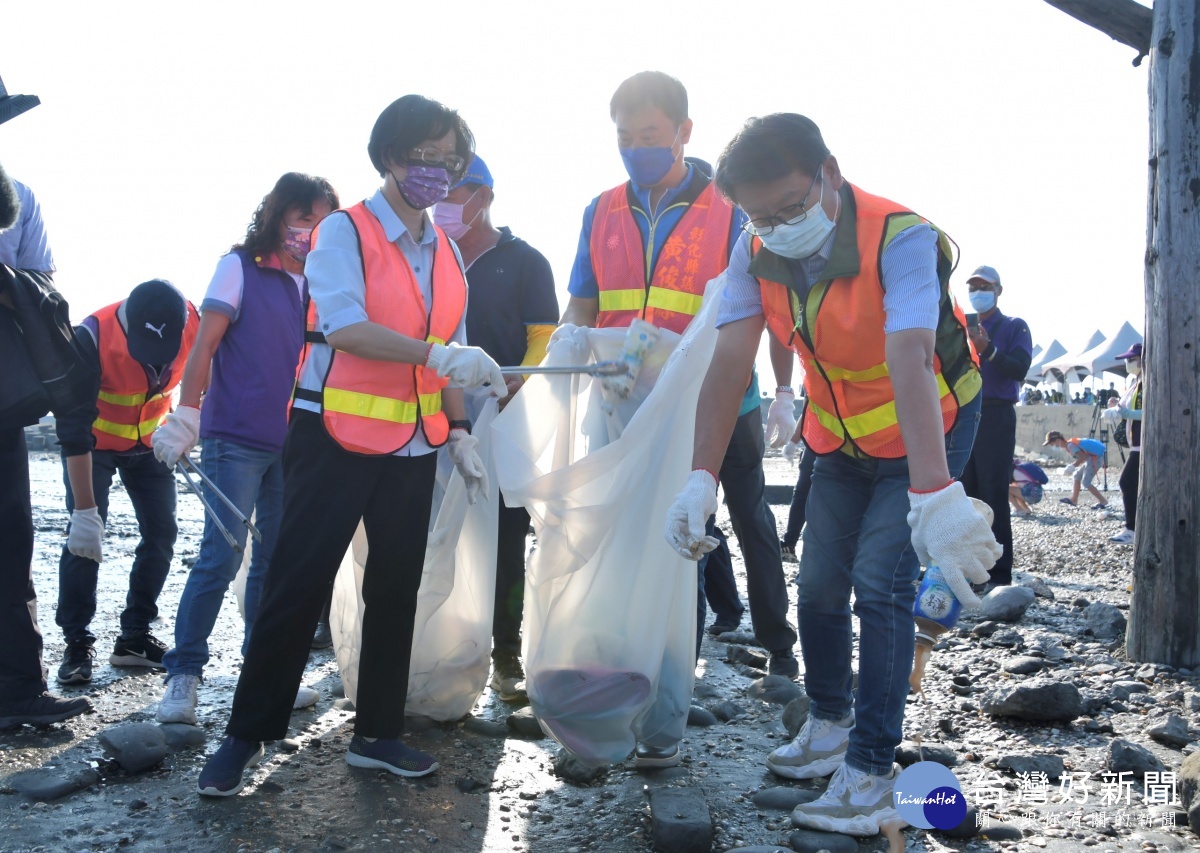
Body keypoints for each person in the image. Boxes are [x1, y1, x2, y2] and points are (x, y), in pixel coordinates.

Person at [664, 113, 1000, 836]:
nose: (780, 225)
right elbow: (729, 365)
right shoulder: (753, 250)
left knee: (880, 583)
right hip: (838, 435)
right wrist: (700, 478)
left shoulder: (901, 238)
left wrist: (936, 494)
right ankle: (828, 722)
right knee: (816, 579)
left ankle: (874, 770)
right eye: (762, 214)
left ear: (830, 173)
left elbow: (910, 354)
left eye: (791, 205)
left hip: (927, 423)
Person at [197, 95, 507, 797]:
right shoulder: (347, 232)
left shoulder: (447, 250)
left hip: (412, 446)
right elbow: (346, 328)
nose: (440, 172)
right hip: (334, 435)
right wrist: (442, 355)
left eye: (450, 159)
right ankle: (245, 735)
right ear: (392, 157)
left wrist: (457, 429)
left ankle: (377, 733)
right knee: (296, 582)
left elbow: (447, 355)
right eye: (427, 156)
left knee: (395, 587)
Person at [556, 73, 798, 768]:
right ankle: (631, 700)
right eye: (625, 139)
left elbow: (771, 302)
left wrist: (784, 389)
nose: (636, 150)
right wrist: (570, 340)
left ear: (685, 132)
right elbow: (582, 300)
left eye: (651, 137)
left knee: (729, 529)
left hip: (716, 404)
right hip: (624, 408)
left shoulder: (730, 206)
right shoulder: (600, 209)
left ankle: (764, 654)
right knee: (628, 548)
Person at [151, 173, 340, 725]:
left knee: (276, 562)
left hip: (295, 444)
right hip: (233, 439)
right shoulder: (238, 267)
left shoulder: (321, 284)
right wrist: (188, 413)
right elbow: (205, 344)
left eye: (324, 221)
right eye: (304, 218)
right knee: (221, 554)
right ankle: (182, 677)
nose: (312, 231)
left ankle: (265, 674)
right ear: (278, 214)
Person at [432, 154, 559, 701]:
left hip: (503, 414)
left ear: (483, 196)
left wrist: (515, 386)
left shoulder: (524, 260)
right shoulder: (428, 253)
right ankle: (438, 647)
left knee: (507, 538)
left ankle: (507, 657)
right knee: (434, 531)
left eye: (453, 191)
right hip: (434, 413)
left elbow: (544, 333)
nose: (442, 202)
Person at [0, 75, 92, 727]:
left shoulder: (20, 198)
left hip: (2, 400)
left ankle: (17, 690)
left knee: (10, 539)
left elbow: (41, 287)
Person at [54, 280, 199, 685]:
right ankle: (77, 641)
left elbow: (206, 376)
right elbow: (72, 427)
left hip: (151, 444)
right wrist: (85, 511)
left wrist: (188, 424)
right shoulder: (90, 338)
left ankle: (134, 638)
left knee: (162, 534)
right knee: (83, 541)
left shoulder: (197, 322)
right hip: (94, 446)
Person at [957, 265, 1032, 589]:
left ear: (998, 290)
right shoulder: (959, 326)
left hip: (996, 415)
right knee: (964, 495)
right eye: (973, 286)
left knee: (993, 494)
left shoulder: (1015, 326)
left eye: (984, 286)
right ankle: (971, 571)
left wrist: (988, 349)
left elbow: (1019, 368)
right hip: (962, 414)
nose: (978, 291)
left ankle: (999, 574)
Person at [1103, 343, 1143, 544]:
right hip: (1136, 444)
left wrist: (1126, 413)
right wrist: (1116, 409)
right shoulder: (1136, 381)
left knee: (1126, 482)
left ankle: (1132, 529)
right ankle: (1137, 527)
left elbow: (1153, 410)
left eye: (1131, 359)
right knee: (1134, 484)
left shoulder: (1147, 381)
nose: (1128, 363)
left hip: (1144, 445)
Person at [1044, 430, 1108, 509]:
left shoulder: (1070, 446)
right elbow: (1084, 455)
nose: (1052, 446)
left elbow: (1082, 457)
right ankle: (1074, 499)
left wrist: (1072, 466)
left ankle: (1103, 501)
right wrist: (1074, 465)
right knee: (1077, 476)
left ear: (1058, 440)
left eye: (1052, 443)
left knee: (1086, 482)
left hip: (1094, 460)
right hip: (1091, 459)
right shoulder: (1070, 444)